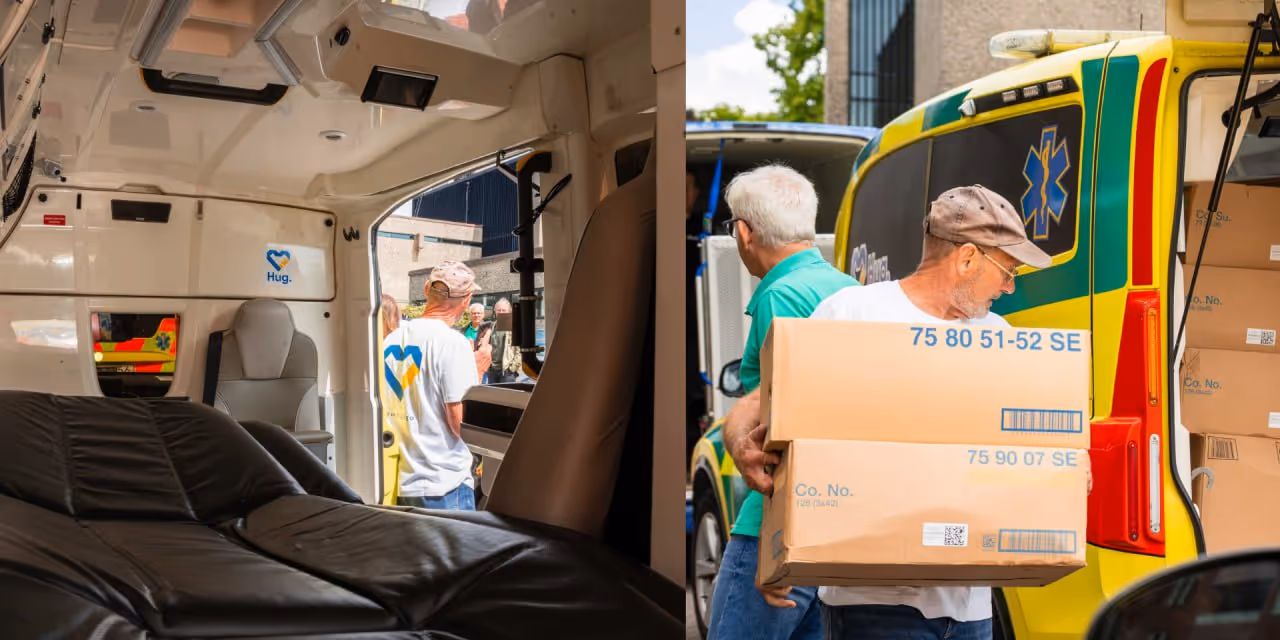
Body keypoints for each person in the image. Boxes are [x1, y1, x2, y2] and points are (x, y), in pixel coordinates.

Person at [725, 185, 1092, 640]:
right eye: (1008, 270)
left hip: (970, 606)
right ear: (968, 259)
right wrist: (742, 448)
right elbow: (771, 413)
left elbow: (1027, 445)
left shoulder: (998, 335)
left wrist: (1064, 466)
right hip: (873, 606)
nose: (1010, 287)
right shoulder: (852, 315)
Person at [706, 164, 858, 640]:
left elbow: (793, 414)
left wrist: (777, 549)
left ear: (745, 232)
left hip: (781, 517)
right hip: (836, 517)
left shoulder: (783, 296)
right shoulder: (850, 290)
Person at [383, 260, 488, 511]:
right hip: (443, 484)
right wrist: (478, 371)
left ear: (426, 289)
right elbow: (460, 424)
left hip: (398, 480)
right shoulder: (453, 343)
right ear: (466, 300)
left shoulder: (391, 339)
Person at [487, 298, 522, 384]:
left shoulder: (514, 326)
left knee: (506, 396)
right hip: (492, 370)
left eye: (503, 310)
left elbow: (520, 350)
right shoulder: (492, 326)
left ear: (509, 311)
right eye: (499, 310)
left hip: (507, 372)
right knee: (492, 397)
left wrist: (512, 369)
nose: (501, 312)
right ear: (495, 311)